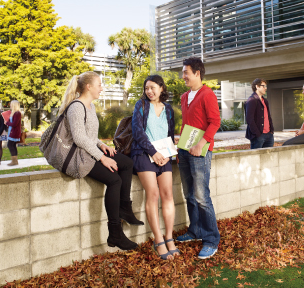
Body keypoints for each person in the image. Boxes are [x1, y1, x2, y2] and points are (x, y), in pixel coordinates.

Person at [58, 71, 142, 251]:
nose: (101, 88)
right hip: (79, 157)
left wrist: (102, 145)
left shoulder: (91, 107)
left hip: (90, 151)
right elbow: (79, 138)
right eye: (99, 85)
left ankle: (124, 208)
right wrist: (102, 158)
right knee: (114, 180)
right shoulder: (76, 107)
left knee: (126, 163)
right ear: (88, 87)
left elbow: (89, 136)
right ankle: (115, 234)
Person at [176, 56, 221, 260]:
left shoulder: (207, 94)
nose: (183, 75)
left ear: (197, 73)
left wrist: (201, 144)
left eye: (186, 72)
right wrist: (180, 146)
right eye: (183, 72)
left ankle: (211, 239)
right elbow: (187, 123)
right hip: (185, 150)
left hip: (200, 151)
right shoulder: (185, 97)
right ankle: (195, 231)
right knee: (190, 195)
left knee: (202, 196)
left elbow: (215, 122)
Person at [131, 75, 179, 260]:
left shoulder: (168, 109)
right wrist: (153, 152)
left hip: (164, 155)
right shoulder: (141, 106)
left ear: (161, 88)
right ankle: (158, 239)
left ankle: (169, 238)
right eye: (146, 88)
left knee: (167, 194)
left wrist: (168, 153)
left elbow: (169, 134)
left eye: (152, 87)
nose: (149, 91)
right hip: (143, 154)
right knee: (153, 194)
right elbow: (137, 132)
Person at [245, 78, 274, 149]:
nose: (266, 88)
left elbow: (268, 116)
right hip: (258, 136)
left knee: (268, 158)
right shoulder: (251, 100)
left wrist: (271, 130)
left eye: (266, 86)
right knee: (256, 158)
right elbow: (249, 119)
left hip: (269, 135)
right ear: (257, 87)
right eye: (263, 86)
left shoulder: (265, 101)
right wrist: (257, 134)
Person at [5, 100, 22, 166]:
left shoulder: (17, 113)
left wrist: (7, 123)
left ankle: (14, 161)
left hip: (14, 132)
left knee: (10, 145)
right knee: (13, 145)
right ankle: (15, 161)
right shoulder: (13, 113)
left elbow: (14, 124)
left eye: (11, 104)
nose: (10, 105)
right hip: (11, 131)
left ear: (14, 105)